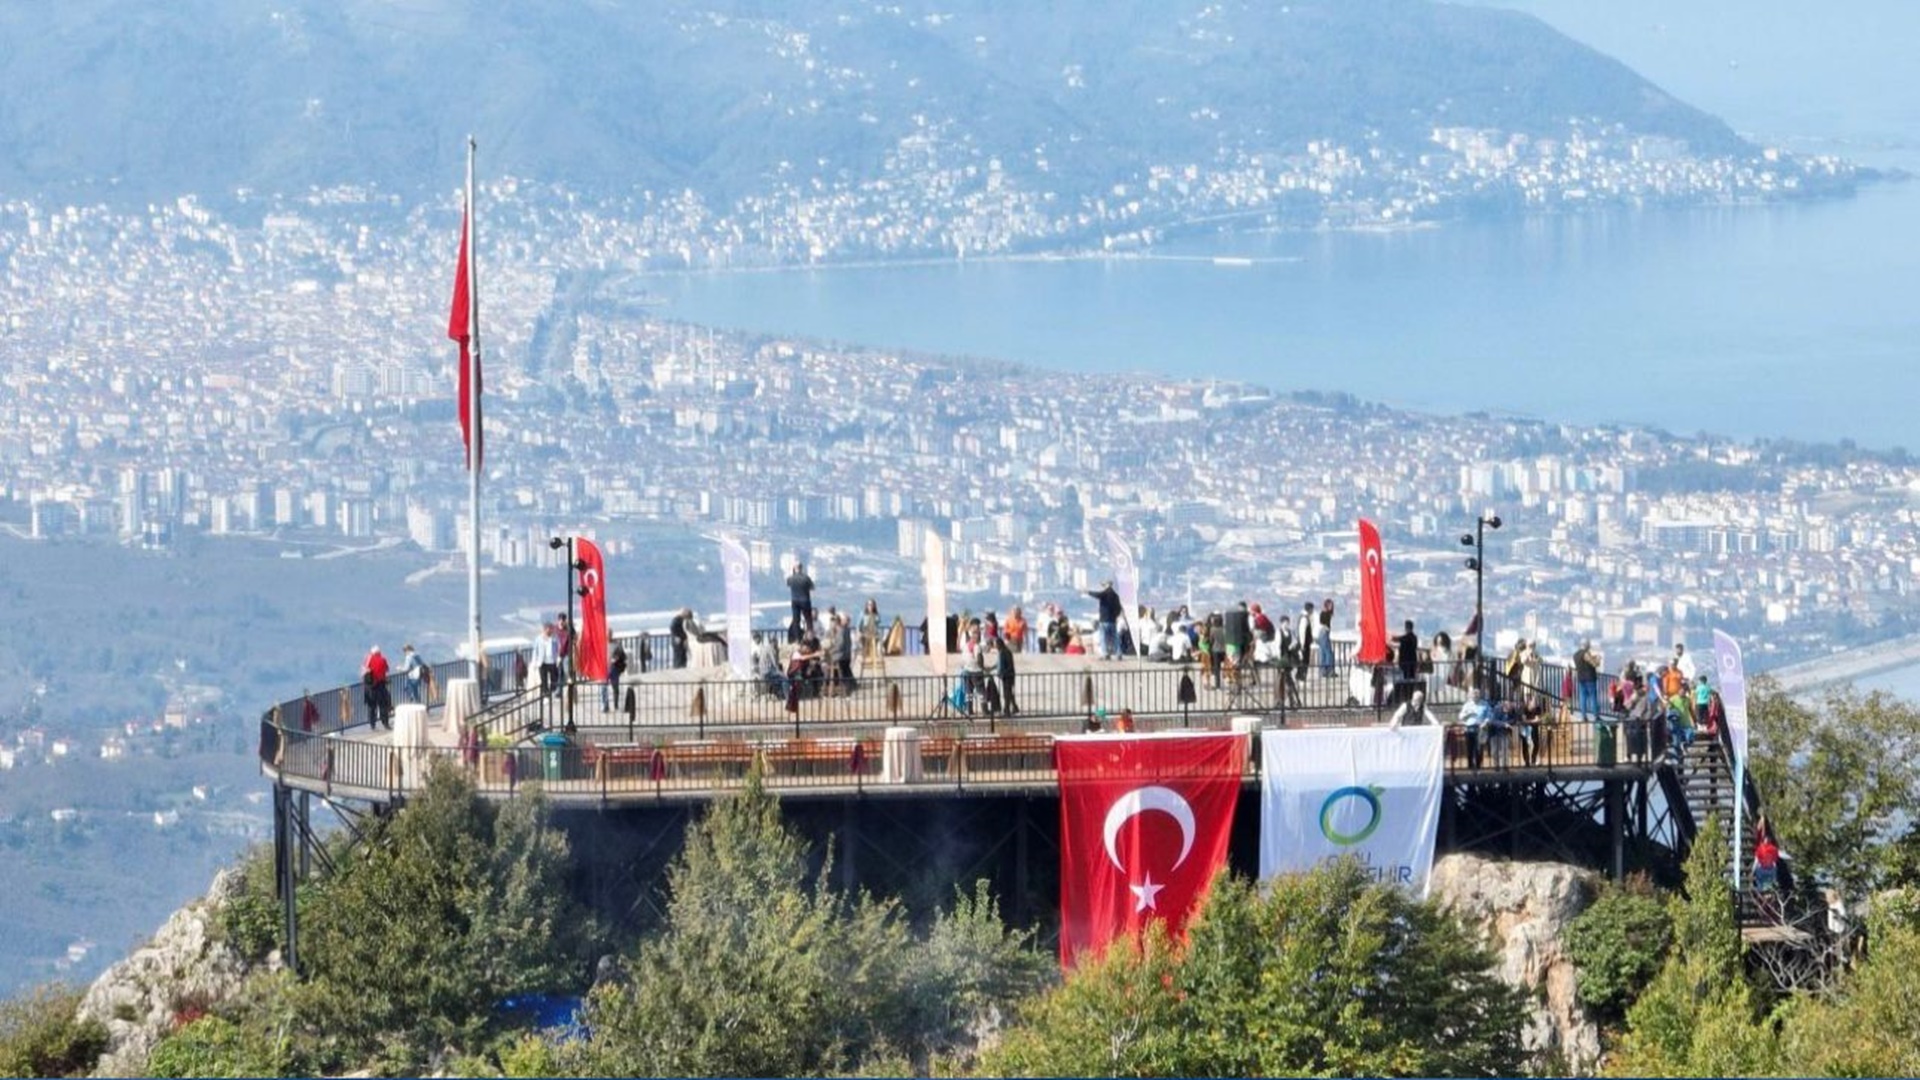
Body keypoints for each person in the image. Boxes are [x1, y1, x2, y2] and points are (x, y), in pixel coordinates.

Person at [1087, 579, 1123, 660]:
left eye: (1104, 585)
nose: (1103, 587)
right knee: (1115, 638)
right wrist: (1115, 615)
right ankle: (1118, 653)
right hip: (1112, 620)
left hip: (1104, 620)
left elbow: (1097, 595)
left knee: (1103, 637)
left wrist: (1088, 592)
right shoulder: (1116, 596)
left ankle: (1105, 653)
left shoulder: (1105, 593)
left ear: (1107, 585)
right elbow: (1119, 608)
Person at [1457, 688, 1491, 769]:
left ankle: (1478, 766)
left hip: (1480, 728)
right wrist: (1468, 714)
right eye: (1474, 694)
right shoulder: (1467, 705)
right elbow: (1460, 716)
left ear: (1479, 695)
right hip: (1469, 729)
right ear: (1471, 696)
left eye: (1477, 694)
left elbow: (1489, 715)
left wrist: (1485, 722)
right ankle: (1470, 766)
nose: (1475, 696)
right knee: (1470, 748)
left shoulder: (1485, 704)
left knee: (1479, 749)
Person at [363, 646, 393, 730]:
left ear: (372, 653)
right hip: (381, 685)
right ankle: (385, 723)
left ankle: (372, 725)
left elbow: (364, 671)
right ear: (379, 652)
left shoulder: (368, 659)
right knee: (383, 705)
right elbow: (386, 669)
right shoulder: (383, 659)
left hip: (371, 687)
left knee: (372, 707)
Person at [1573, 639, 1602, 721]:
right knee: (1593, 697)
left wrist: (1593, 657)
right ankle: (1596, 716)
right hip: (1590, 678)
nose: (1589, 647)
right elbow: (1594, 664)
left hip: (1581, 678)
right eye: (1589, 645)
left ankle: (1583, 716)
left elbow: (1584, 662)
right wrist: (1598, 659)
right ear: (1587, 645)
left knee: (1583, 697)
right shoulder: (1585, 654)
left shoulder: (1575, 655)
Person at [786, 560, 815, 643]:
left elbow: (788, 584)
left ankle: (797, 638)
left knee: (796, 620)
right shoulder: (806, 578)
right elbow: (812, 587)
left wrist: (793, 573)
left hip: (795, 601)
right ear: (801, 568)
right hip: (805, 600)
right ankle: (810, 637)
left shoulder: (790, 578)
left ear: (794, 568)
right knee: (808, 620)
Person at [1395, 620, 1421, 704]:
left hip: (1406, 663)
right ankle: (1409, 698)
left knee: (1407, 682)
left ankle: (1407, 699)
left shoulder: (1407, 638)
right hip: (1412, 663)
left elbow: (1398, 639)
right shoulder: (1414, 637)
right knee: (1411, 682)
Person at [996, 628, 1021, 716]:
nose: (996, 647)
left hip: (1008, 676)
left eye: (997, 645)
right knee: (1008, 693)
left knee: (1007, 693)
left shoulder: (1006, 652)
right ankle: (1014, 707)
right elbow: (999, 664)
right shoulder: (1001, 652)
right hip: (1005, 676)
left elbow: (1010, 665)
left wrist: (1004, 673)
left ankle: (1007, 709)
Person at [535, 623, 562, 697]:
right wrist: (535, 661)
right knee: (544, 678)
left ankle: (552, 690)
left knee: (554, 677)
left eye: (551, 629)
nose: (549, 630)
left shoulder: (555, 638)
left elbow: (559, 647)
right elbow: (536, 650)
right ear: (544, 630)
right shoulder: (539, 638)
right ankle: (545, 692)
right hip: (542, 661)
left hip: (552, 661)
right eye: (548, 629)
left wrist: (558, 656)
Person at [605, 642, 628, 712]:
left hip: (611, 669)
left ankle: (610, 706)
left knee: (610, 688)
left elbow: (622, 658)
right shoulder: (617, 647)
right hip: (611, 669)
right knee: (614, 689)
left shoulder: (615, 647)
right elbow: (623, 658)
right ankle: (612, 706)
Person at [1317, 598, 1336, 676]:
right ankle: (1328, 670)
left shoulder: (1325, 613)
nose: (1331, 607)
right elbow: (1322, 622)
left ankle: (1323, 670)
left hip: (1323, 633)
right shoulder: (1325, 613)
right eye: (1329, 605)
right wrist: (1326, 628)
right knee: (1328, 652)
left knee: (1323, 652)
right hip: (1324, 632)